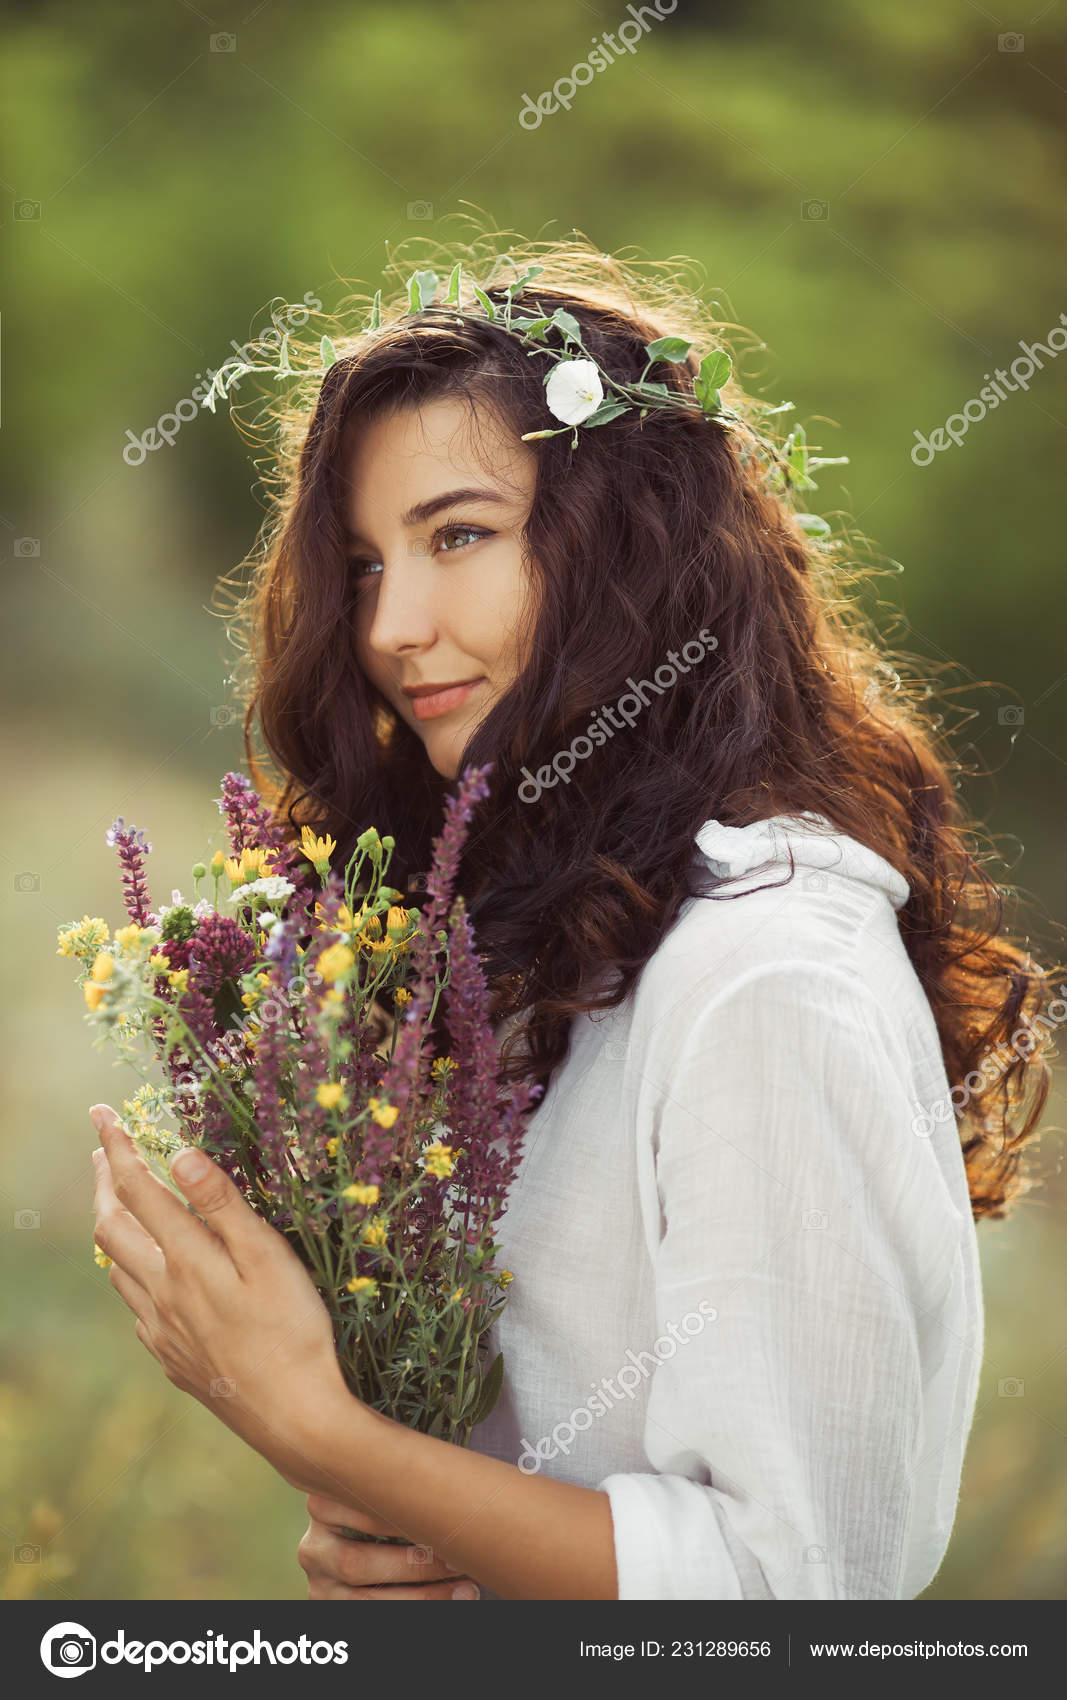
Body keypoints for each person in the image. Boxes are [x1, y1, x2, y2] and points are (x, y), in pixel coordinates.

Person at [92, 233, 1059, 1601]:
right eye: (366, 565)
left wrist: (323, 1428)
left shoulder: (766, 967)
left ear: (632, 546)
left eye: (460, 536)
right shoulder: (578, 933)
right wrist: (416, 1545)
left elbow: (797, 1594)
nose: (391, 626)